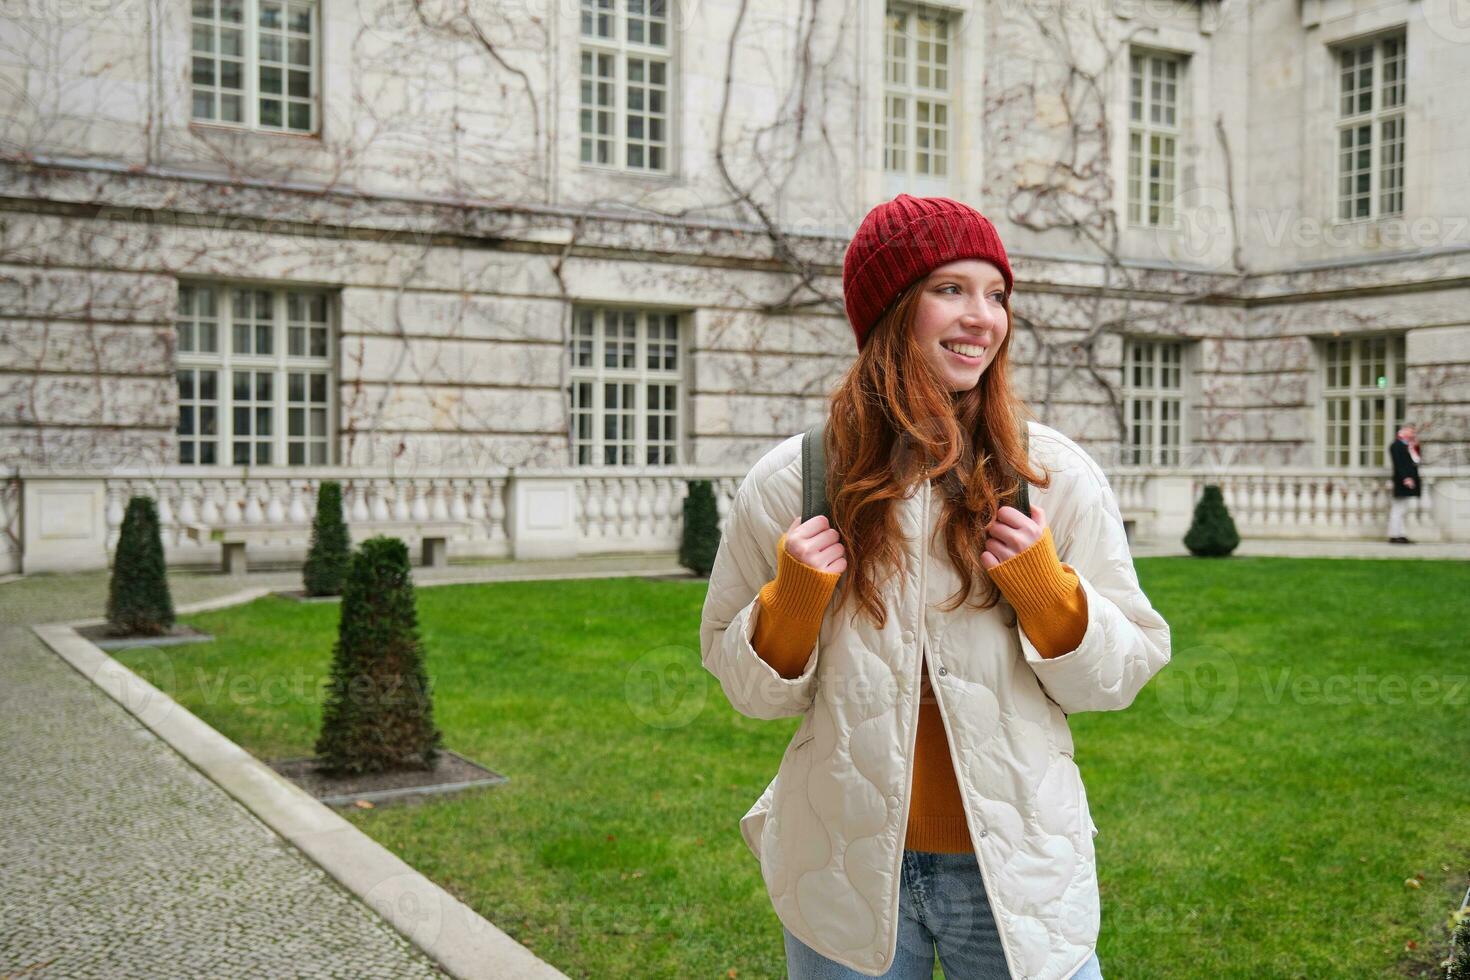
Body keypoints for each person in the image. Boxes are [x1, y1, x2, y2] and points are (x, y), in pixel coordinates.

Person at [699, 194, 1172, 980]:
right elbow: (747, 689)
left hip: (1019, 870)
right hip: (842, 875)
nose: (982, 316)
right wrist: (790, 604)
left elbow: (1124, 674)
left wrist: (1048, 596)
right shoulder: (794, 481)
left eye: (995, 294)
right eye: (949, 289)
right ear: (890, 312)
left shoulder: (1050, 474)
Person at [1388, 424, 1422, 544]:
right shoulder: (1396, 446)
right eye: (1411, 431)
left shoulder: (1409, 446)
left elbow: (1416, 461)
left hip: (1408, 480)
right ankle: (1394, 534)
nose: (1413, 434)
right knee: (1397, 508)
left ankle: (1401, 534)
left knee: (1403, 509)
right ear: (1403, 432)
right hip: (1402, 481)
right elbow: (1399, 464)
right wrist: (1406, 478)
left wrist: (1416, 447)